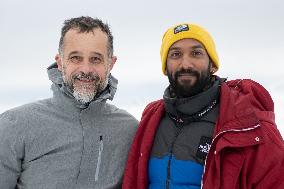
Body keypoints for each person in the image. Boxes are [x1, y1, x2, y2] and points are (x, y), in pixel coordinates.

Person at [122, 23, 284, 189]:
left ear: (212, 64)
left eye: (196, 53)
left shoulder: (247, 123)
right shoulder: (151, 120)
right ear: (165, 67)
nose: (185, 64)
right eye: (176, 54)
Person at [0, 16, 138, 188]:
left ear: (110, 63)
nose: (86, 69)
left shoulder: (129, 130)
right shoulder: (14, 125)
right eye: (75, 58)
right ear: (60, 62)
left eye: (96, 59)